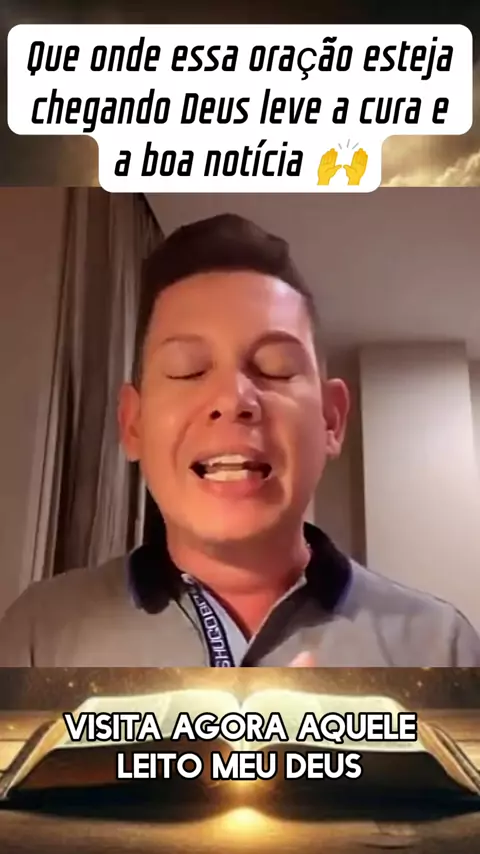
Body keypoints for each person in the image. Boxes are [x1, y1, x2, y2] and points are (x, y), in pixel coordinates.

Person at [1, 213, 479, 667]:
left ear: (331, 420)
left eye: (275, 368)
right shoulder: (41, 635)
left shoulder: (440, 647)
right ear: (133, 425)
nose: (233, 399)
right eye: (188, 370)